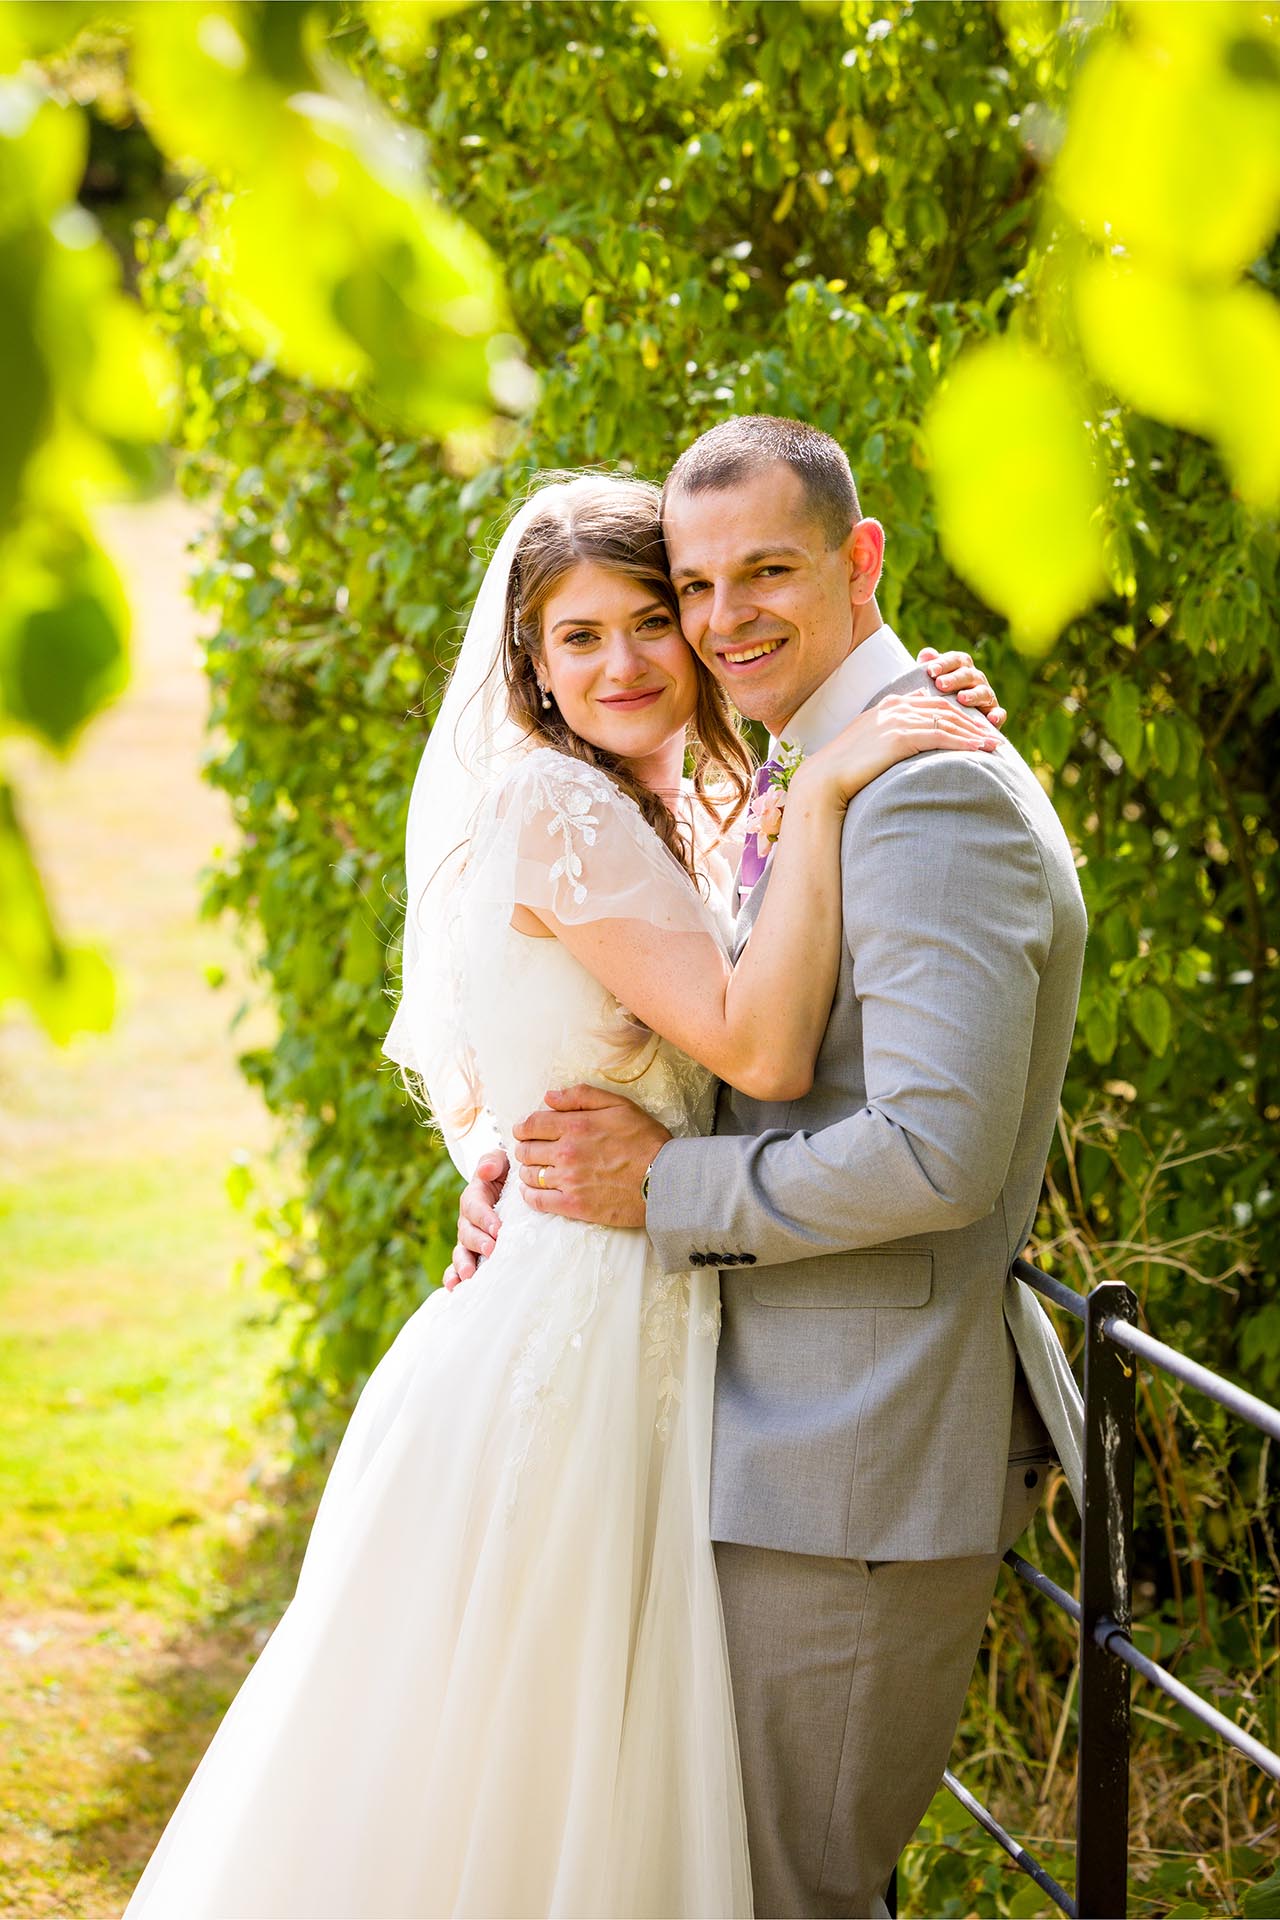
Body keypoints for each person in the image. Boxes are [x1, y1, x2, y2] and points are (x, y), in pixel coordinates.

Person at [122, 473, 1005, 1920]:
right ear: (528, 668)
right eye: (578, 639)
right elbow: (762, 1042)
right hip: (578, 1339)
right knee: (524, 1750)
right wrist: (841, 776)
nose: (628, 663)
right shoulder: (558, 807)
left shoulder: (666, 799)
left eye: (654, 620)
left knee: (605, 1752)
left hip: (652, 1319)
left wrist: (843, 735)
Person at [451, 420, 1088, 1920]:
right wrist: (532, 1146)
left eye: (769, 574)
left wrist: (656, 1190)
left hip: (852, 1462)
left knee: (787, 1892)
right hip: (765, 1433)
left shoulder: (927, 790)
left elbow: (935, 1151)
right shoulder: (827, 767)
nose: (724, 618)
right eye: (697, 582)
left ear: (859, 563)